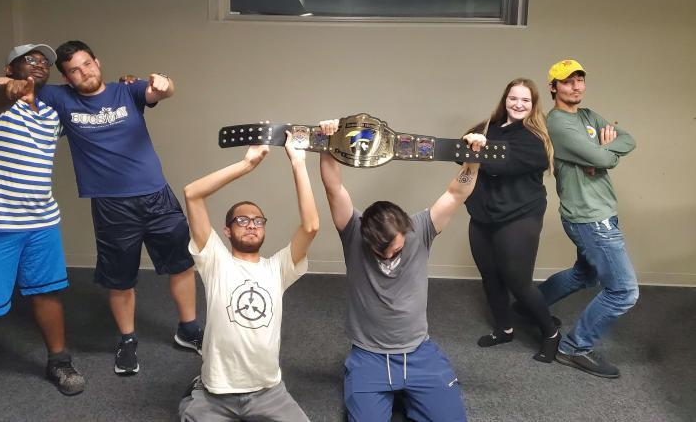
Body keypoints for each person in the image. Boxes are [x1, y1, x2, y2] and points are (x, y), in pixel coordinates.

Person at [37, 40, 201, 376]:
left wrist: (165, 83)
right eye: (74, 70)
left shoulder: (127, 90)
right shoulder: (61, 99)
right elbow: (20, 88)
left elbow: (161, 91)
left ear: (97, 62)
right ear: (66, 78)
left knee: (181, 264)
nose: (84, 73)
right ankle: (127, 341)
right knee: (120, 279)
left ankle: (189, 330)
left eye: (87, 64)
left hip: (157, 195)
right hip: (112, 206)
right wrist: (4, 80)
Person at [0, 44, 84, 422]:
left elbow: (90, 107)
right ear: (10, 68)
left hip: (40, 223)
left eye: (44, 62)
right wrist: (7, 91)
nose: (39, 64)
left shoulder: (51, 114)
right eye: (30, 59)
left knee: (46, 293)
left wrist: (129, 89)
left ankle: (59, 361)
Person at [318, 119, 486, 422]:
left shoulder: (421, 228)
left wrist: (472, 160)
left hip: (419, 353)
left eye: (394, 250)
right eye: (379, 251)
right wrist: (329, 143)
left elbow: (455, 194)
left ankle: (410, 395)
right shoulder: (353, 232)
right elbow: (334, 188)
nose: (387, 257)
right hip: (368, 356)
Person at [179, 133, 318, 422]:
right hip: (216, 394)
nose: (251, 225)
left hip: (269, 392)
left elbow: (311, 227)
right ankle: (196, 390)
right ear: (227, 231)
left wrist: (298, 162)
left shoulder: (278, 268)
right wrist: (247, 164)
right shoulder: (214, 260)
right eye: (242, 220)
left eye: (258, 221)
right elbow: (192, 193)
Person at [538, 59, 638, 378]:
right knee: (623, 291)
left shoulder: (588, 115)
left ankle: (530, 306)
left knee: (584, 274)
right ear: (554, 87)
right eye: (568, 81)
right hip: (588, 217)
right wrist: (601, 153)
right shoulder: (557, 123)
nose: (576, 86)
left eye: (580, 79)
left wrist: (600, 153)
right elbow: (601, 157)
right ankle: (574, 347)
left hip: (601, 212)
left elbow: (628, 139)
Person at [463, 78, 560, 362]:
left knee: (518, 281)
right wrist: (472, 143)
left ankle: (551, 333)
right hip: (483, 215)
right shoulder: (487, 128)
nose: (518, 104)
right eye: (513, 98)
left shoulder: (535, 139)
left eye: (525, 100)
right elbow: (459, 154)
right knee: (490, 275)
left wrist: (479, 149)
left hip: (520, 215)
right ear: (505, 100)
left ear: (533, 104)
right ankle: (504, 329)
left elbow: (501, 165)